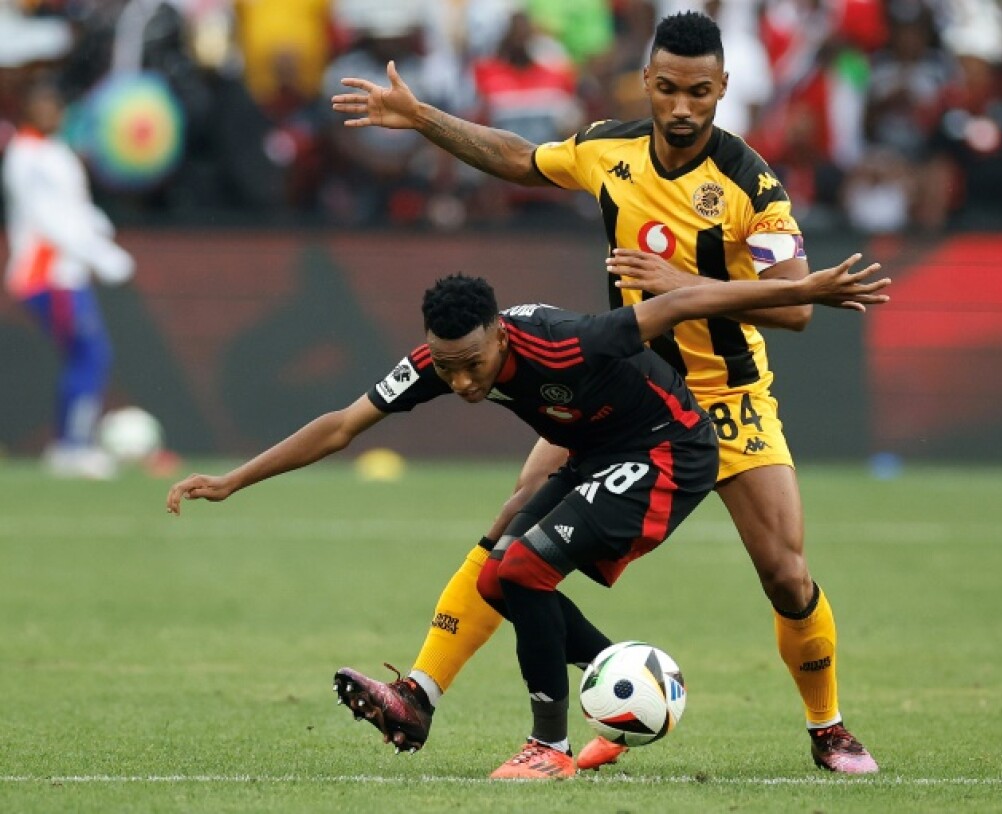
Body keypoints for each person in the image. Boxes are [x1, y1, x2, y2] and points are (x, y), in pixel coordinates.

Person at [331, 10, 882, 773]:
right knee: (510, 533)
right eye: (667, 89)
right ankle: (420, 692)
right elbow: (522, 160)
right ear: (646, 84)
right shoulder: (605, 148)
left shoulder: (751, 182)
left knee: (787, 575)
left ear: (723, 88)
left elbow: (793, 307)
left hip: (727, 399)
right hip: (618, 396)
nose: (681, 107)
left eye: (698, 91)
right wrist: (424, 117)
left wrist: (679, 285)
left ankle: (828, 727)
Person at [165, 262, 890, 780]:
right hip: (598, 451)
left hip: (672, 450)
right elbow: (341, 426)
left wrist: (804, 290)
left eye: (471, 364)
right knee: (497, 568)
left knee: (523, 567)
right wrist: (233, 480)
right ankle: (612, 693)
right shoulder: (440, 356)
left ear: (501, 339)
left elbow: (681, 305)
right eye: (446, 370)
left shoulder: (571, 340)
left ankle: (548, 744)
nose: (459, 382)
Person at [2, 79, 135, 479]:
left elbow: (76, 208)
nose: (51, 112)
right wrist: (101, 255)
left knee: (87, 355)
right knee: (89, 354)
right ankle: (73, 445)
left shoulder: (56, 152)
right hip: (47, 274)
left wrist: (99, 231)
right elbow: (49, 219)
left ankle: (71, 443)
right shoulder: (26, 155)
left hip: (67, 272)